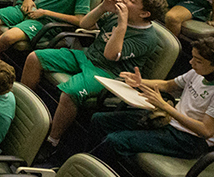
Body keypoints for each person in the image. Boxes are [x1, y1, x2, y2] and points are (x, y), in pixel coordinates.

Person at [21, 0, 168, 160]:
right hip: (87, 56)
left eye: (132, 1)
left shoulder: (147, 39)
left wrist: (122, 24)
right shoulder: (116, 14)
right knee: (35, 58)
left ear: (144, 13)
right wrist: (102, 8)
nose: (124, 0)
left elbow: (110, 55)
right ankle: (25, 104)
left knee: (71, 93)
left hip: (108, 73)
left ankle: (52, 141)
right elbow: (84, 24)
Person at [91, 36, 214, 165]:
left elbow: (205, 131)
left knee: (115, 141)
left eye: (198, 61)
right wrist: (139, 82)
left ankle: (90, 174)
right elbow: (167, 86)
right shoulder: (197, 73)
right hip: (170, 122)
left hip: (189, 140)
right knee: (99, 120)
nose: (191, 62)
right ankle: (86, 161)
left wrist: (166, 107)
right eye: (193, 57)